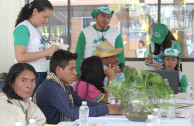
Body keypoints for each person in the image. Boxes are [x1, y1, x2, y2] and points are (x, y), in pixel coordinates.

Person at [35, 50, 122, 124]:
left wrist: (108, 106)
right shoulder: (51, 86)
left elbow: (81, 102)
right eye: (71, 69)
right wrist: (106, 109)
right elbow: (73, 112)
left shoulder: (65, 86)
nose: (75, 73)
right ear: (58, 70)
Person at [14, 0, 60, 97]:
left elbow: (36, 52)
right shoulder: (23, 28)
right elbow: (20, 57)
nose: (46, 20)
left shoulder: (37, 28)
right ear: (35, 12)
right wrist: (46, 51)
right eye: (45, 17)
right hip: (28, 76)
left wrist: (48, 55)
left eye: (48, 18)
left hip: (39, 74)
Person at [75, 5, 125, 76]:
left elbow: (120, 56)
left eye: (108, 17)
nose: (106, 20)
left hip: (109, 74)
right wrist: (76, 73)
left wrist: (119, 72)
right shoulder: (85, 32)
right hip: (89, 73)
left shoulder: (116, 34)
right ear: (96, 16)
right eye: (103, 16)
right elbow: (78, 54)